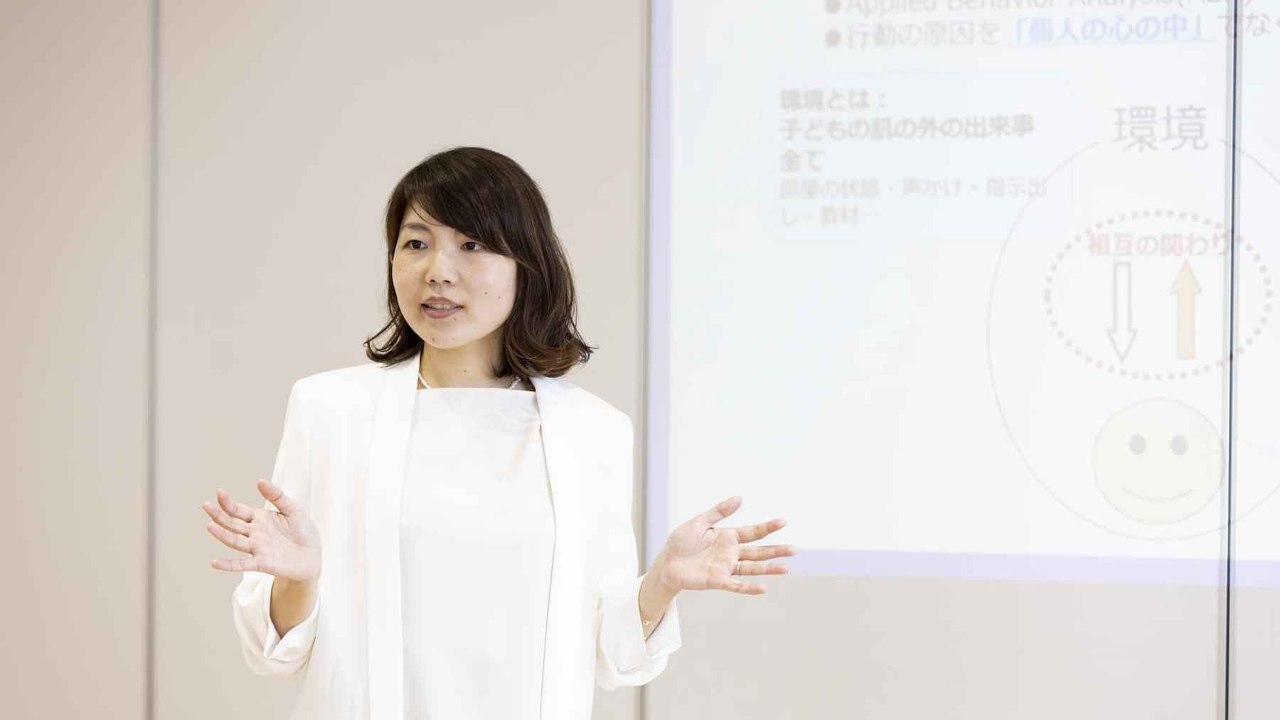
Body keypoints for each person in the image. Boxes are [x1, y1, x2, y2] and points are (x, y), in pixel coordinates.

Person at [200, 146, 795, 719]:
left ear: (525, 265)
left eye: (472, 245)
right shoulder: (330, 409)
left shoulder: (592, 430)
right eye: (415, 244)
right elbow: (274, 651)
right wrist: (298, 580)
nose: (438, 271)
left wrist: (661, 583)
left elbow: (612, 656)